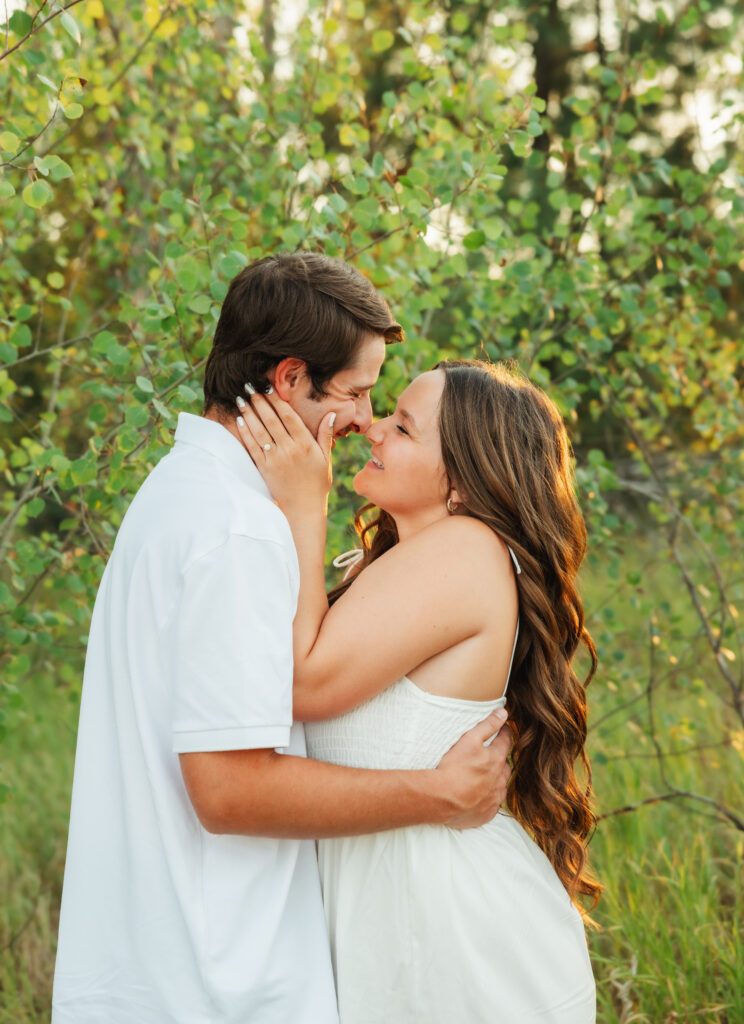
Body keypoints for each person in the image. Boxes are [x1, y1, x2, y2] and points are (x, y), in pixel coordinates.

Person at [52, 255, 513, 1024]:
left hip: (170, 964)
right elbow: (229, 790)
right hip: (216, 980)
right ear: (289, 380)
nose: (367, 420)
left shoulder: (181, 493)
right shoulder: (237, 529)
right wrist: (439, 793)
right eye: (359, 394)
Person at [235, 358, 600, 1023]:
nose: (372, 429)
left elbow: (304, 682)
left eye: (402, 427)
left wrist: (303, 502)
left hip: (448, 937)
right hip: (402, 920)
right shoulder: (427, 557)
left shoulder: (463, 547)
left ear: (460, 482)